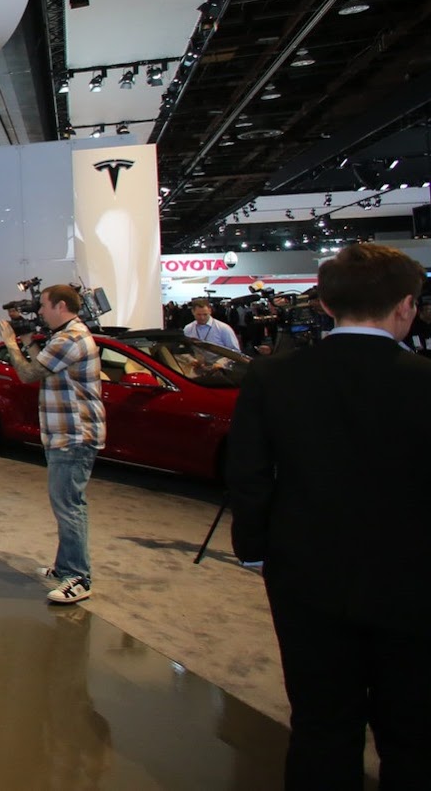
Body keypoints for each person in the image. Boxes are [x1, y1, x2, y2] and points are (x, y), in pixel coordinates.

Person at [228, 244, 431, 787]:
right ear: (406, 305)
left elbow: (248, 474)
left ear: (323, 303)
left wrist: (254, 549)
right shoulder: (423, 379)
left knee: (320, 723)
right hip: (414, 580)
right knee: (413, 731)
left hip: (304, 572)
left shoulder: (273, 376)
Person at [0, 283, 104, 605]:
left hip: (73, 435)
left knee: (69, 506)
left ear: (60, 306)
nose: (40, 311)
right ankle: (65, 567)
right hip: (65, 434)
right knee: (65, 504)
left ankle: (78, 577)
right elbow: (44, 368)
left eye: (43, 305)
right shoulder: (66, 337)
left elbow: (29, 374)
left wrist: (11, 343)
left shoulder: (70, 339)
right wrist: (29, 343)